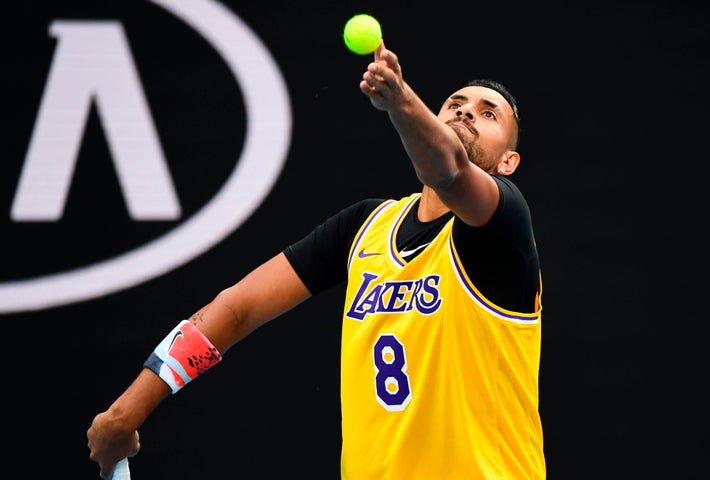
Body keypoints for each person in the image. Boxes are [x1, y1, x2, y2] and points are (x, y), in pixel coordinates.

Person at [87, 41, 545, 479]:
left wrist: (402, 104)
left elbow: (447, 171)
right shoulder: (365, 227)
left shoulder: (502, 225)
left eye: (489, 114)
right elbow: (236, 310)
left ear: (508, 162)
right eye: (456, 103)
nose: (466, 111)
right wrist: (126, 413)